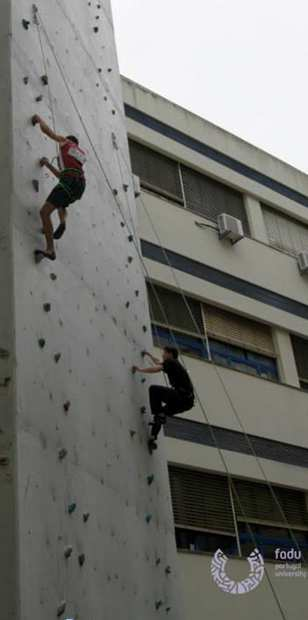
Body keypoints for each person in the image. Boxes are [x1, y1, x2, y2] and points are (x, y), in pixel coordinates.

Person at [31, 114, 87, 261]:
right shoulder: (79, 156)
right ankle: (62, 222)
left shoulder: (66, 142)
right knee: (62, 202)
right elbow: (62, 176)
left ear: (69, 140)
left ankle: (50, 250)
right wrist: (48, 164)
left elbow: (48, 132)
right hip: (79, 186)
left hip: (69, 181)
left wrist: (39, 120)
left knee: (45, 212)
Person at [132, 347, 195, 430]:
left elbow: (157, 368)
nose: (162, 355)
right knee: (160, 414)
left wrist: (140, 370)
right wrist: (149, 355)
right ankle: (153, 437)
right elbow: (158, 363)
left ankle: (158, 417)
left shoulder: (171, 362)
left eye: (164, 353)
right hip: (187, 403)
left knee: (154, 390)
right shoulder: (174, 364)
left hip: (181, 397)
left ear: (170, 354)